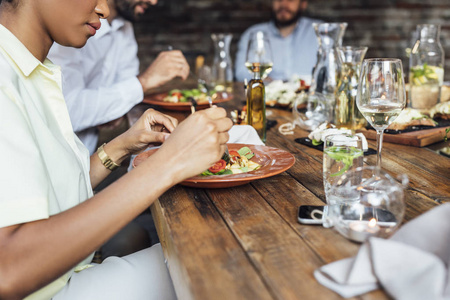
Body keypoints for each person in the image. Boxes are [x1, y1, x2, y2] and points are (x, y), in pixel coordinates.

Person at [0, 0, 233, 299]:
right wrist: (170, 163)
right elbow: (8, 267)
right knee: (220, 258)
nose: (105, 10)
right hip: (53, 290)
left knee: (213, 242)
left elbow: (54, 191)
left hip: (69, 273)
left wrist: (120, 147)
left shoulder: (33, 69)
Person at [48, 0, 190, 155]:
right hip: (57, 159)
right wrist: (144, 82)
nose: (154, 1)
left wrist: (112, 108)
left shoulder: (123, 26)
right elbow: (66, 113)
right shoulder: (66, 25)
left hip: (89, 157)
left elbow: (123, 97)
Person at [235, 0, 321, 82]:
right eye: (278, 0)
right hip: (268, 95)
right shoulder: (253, 33)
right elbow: (241, 73)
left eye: (290, 0)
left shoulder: (319, 30)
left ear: (303, 4)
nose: (283, 4)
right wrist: (269, 82)